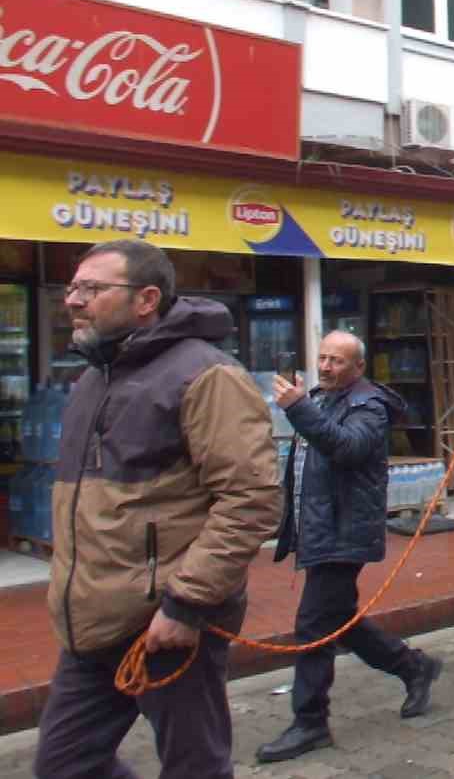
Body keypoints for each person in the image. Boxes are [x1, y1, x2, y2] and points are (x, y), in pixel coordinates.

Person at [33, 240, 281, 779]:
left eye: (92, 289)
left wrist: (186, 603)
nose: (73, 300)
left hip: (167, 621)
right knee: (63, 766)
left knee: (195, 767)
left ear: (146, 299)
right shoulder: (91, 379)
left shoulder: (207, 376)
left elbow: (251, 500)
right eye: (72, 287)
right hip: (91, 621)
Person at [257, 331, 442, 762]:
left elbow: (347, 448)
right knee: (337, 620)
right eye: (321, 358)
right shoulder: (320, 398)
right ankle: (414, 666)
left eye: (336, 361)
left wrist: (298, 409)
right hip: (321, 529)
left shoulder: (369, 406)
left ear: (358, 367)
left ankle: (310, 721)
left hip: (346, 534)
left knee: (313, 626)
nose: (325, 367)